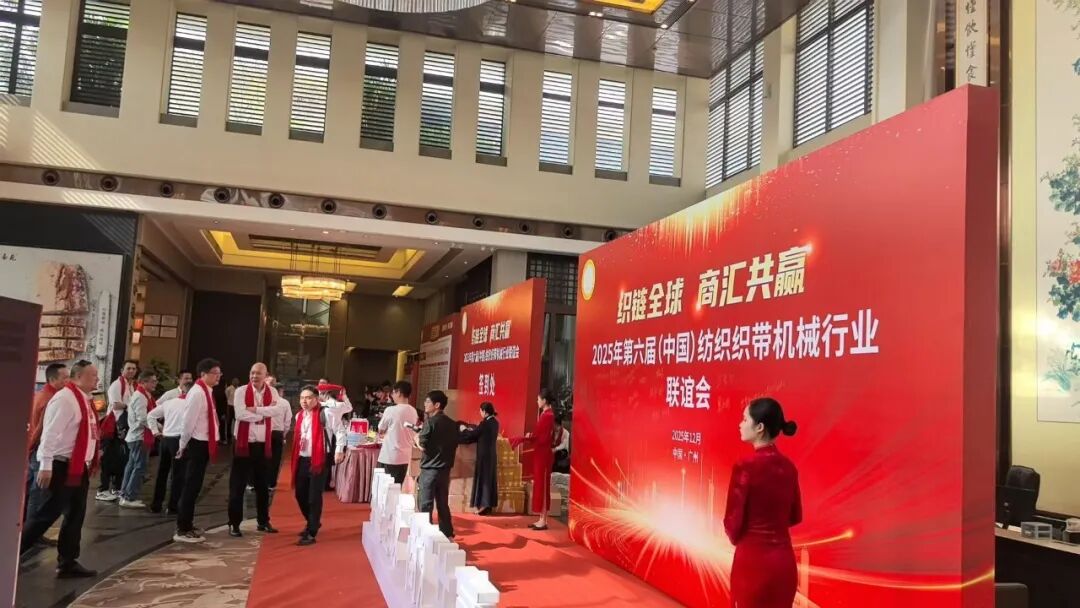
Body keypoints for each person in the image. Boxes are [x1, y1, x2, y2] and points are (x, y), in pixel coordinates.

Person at [21, 360, 100, 578]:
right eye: (93, 375)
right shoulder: (65, 399)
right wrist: (46, 465)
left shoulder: (84, 399)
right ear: (79, 376)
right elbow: (50, 433)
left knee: (75, 515)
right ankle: (10, 555)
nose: (97, 379)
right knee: (44, 516)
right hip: (60, 466)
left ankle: (67, 562)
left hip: (77, 467)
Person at [724, 397, 802, 608]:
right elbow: (795, 516)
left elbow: (732, 526)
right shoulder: (789, 468)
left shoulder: (745, 467)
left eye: (744, 419)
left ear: (759, 427)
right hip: (784, 567)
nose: (740, 424)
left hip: (752, 567)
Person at [227, 363, 289, 537]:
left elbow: (277, 411)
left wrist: (254, 410)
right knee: (237, 485)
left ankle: (263, 521)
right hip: (243, 443)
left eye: (258, 373)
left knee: (263, 485)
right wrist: (264, 414)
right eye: (252, 373)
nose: (254, 376)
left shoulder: (273, 392)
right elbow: (240, 414)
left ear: (265, 375)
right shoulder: (241, 391)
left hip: (263, 444)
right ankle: (234, 523)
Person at [174, 358, 223, 544]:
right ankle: (182, 528)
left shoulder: (206, 390)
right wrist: (182, 445)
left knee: (195, 487)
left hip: (203, 443)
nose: (218, 376)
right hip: (196, 444)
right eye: (215, 373)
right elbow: (188, 422)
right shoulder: (197, 393)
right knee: (190, 487)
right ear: (203, 374)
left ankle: (188, 524)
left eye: (219, 373)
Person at [292, 385, 347, 546]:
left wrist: (339, 450)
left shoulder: (326, 413)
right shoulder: (299, 415)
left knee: (314, 496)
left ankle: (311, 531)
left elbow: (340, 431)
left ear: (317, 399)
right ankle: (313, 521)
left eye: (309, 398)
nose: (305, 401)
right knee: (300, 494)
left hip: (319, 459)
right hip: (302, 458)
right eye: (302, 398)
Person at [26, 363, 69, 529]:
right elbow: (42, 430)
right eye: (65, 378)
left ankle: (26, 530)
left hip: (35, 448)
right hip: (40, 449)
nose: (68, 381)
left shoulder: (41, 394)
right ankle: (30, 533)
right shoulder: (51, 399)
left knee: (33, 491)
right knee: (39, 494)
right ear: (52, 379)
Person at [416, 390, 458, 539]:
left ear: (437, 405)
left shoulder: (430, 422)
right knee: (442, 504)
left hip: (429, 469)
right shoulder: (452, 424)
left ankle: (425, 535)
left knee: (425, 504)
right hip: (445, 470)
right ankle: (447, 534)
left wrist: (416, 438)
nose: (425, 404)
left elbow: (422, 445)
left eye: (428, 401)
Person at [97, 359, 137, 502]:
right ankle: (102, 489)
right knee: (108, 458)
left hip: (125, 426)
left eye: (134, 369)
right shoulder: (117, 384)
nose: (131, 371)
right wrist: (129, 406)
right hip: (114, 427)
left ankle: (117, 487)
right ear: (122, 370)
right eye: (128, 368)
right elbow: (116, 405)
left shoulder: (132, 385)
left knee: (122, 458)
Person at [119, 370, 158, 508]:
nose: (155, 383)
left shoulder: (144, 395)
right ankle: (129, 496)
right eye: (153, 381)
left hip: (137, 436)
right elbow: (143, 418)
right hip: (139, 437)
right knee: (139, 467)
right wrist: (157, 429)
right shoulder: (141, 397)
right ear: (144, 382)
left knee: (132, 466)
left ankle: (125, 494)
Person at [147, 392, 188, 515]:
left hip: (165, 439)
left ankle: (156, 504)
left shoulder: (168, 402)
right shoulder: (189, 404)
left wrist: (155, 431)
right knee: (178, 474)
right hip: (178, 440)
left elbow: (150, 415)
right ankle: (173, 506)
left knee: (162, 473)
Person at [525, 388, 558, 530]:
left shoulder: (548, 416)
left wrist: (531, 437)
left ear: (544, 400)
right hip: (541, 453)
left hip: (543, 455)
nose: (537, 401)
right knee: (539, 484)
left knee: (542, 485)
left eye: (538, 399)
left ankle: (543, 520)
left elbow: (542, 437)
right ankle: (541, 518)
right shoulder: (546, 414)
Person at [458, 402, 500, 515]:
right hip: (491, 455)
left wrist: (464, 429)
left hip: (484, 455)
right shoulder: (495, 423)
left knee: (484, 480)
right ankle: (488, 505)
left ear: (484, 411)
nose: (480, 413)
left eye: (480, 411)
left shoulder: (485, 423)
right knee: (489, 479)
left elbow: (473, 435)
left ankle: (484, 506)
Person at [377, 380, 419, 485]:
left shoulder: (390, 410)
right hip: (405, 456)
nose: (392, 395)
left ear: (399, 392)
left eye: (393, 392)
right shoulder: (413, 411)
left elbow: (381, 429)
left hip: (389, 456)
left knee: (383, 488)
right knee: (397, 487)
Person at [266, 376, 292, 491]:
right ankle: (271, 483)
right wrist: (284, 434)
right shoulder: (285, 402)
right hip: (278, 433)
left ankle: (259, 482)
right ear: (280, 391)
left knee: (263, 458)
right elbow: (288, 421)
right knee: (275, 459)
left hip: (265, 433)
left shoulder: (266, 401)